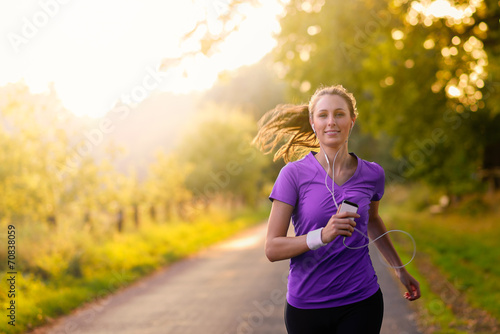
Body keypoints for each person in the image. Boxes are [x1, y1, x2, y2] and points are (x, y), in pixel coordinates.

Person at [253, 85, 421, 334]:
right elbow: (272, 248)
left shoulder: (373, 174)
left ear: (352, 121)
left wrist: (400, 269)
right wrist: (322, 235)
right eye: (323, 115)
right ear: (313, 122)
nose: (331, 122)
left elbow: (372, 220)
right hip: (307, 307)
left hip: (361, 301)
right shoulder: (293, 175)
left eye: (339, 114)